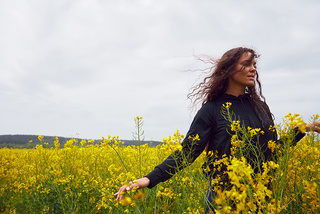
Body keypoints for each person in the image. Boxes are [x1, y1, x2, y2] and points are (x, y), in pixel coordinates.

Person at [114, 47, 320, 213]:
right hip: (224, 199)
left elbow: (274, 151)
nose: (253, 69)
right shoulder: (211, 110)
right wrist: (148, 179)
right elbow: (187, 153)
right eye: (246, 64)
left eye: (255, 65)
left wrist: (302, 129)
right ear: (230, 69)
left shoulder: (260, 107)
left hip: (261, 194)